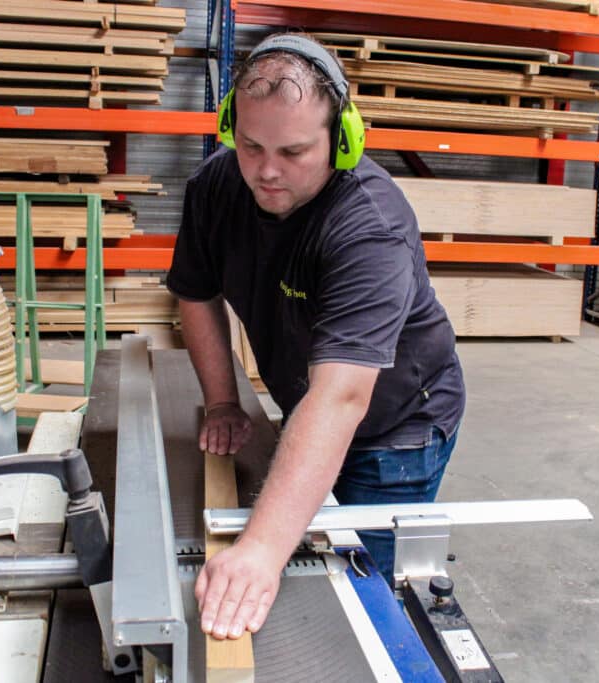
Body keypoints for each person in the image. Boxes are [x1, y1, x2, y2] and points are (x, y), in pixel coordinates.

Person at [165, 32, 466, 641]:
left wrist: (260, 551)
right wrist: (222, 401)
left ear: (343, 140)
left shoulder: (369, 227)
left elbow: (341, 398)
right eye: (251, 144)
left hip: (395, 428)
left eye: (294, 151)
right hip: (312, 395)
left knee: (363, 593)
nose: (266, 170)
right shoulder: (216, 186)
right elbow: (195, 293)